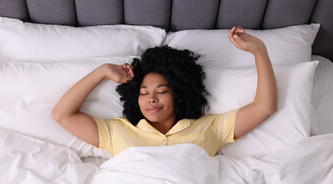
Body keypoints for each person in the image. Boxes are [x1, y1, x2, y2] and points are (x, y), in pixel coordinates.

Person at [52, 26, 277, 158]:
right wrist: (101, 72)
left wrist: (260, 52)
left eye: (162, 91)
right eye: (143, 92)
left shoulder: (210, 128)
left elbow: (264, 107)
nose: (151, 98)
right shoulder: (117, 132)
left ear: (179, 92)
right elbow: (63, 114)